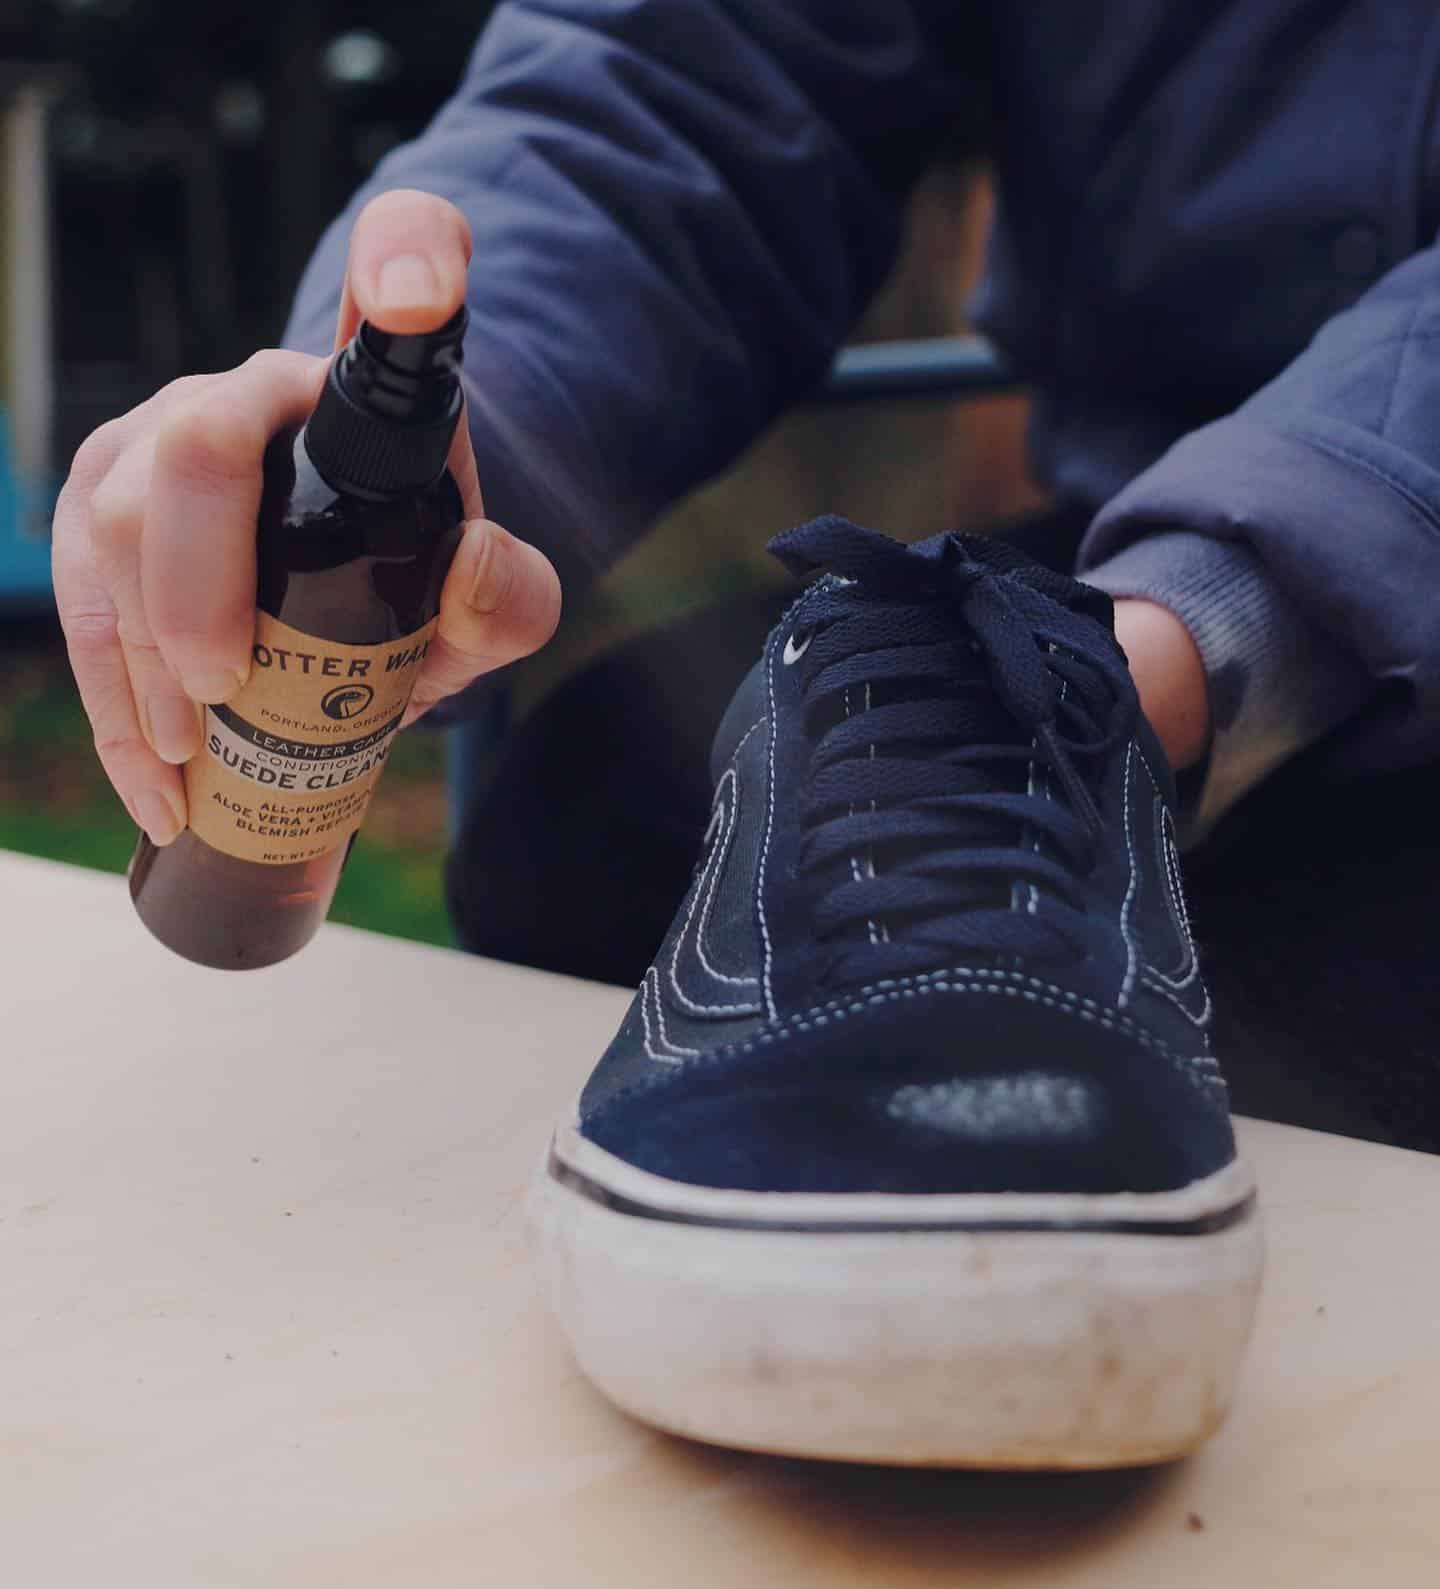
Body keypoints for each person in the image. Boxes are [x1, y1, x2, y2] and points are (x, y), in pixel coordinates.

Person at [51, 2, 1440, 1466]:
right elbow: (686, 74)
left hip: (1235, 624)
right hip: (1094, 561)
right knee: (579, 825)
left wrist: (1171, 639)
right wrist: (418, 413)